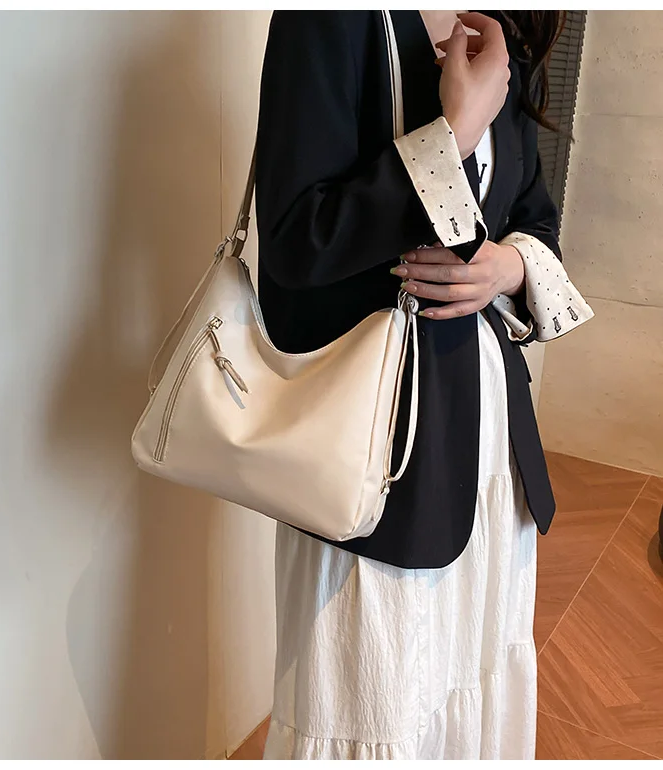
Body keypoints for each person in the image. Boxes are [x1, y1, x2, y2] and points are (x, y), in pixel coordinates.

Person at [254, 10, 593, 761]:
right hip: (378, 451)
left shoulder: (500, 35)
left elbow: (532, 218)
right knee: (370, 698)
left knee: (469, 675)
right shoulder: (333, 22)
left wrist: (509, 266)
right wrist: (454, 134)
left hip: (488, 443)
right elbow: (294, 244)